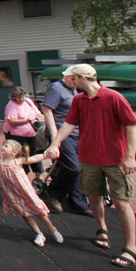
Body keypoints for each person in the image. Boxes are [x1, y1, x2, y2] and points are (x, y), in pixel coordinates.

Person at [45, 64, 136, 269]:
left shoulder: (113, 97)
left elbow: (132, 125)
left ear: (81, 78)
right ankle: (102, 229)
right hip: (89, 158)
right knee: (94, 197)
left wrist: (130, 156)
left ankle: (131, 248)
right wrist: (55, 143)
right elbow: (69, 124)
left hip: (115, 159)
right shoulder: (79, 100)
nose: (72, 82)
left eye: (73, 78)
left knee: (121, 201)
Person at [0, 140, 64, 247]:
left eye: (6, 146)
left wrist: (45, 155)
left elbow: (33, 159)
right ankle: (39, 234)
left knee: (39, 212)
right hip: (12, 193)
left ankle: (53, 230)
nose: (3, 147)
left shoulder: (17, 161)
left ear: (14, 152)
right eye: (2, 145)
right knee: (25, 214)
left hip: (25, 191)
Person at [42, 71, 90, 215]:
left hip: (75, 133)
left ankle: (77, 203)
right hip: (62, 134)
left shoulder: (73, 89)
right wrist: (55, 137)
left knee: (81, 167)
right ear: (70, 77)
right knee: (72, 167)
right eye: (76, 81)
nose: (78, 85)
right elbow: (47, 111)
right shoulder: (56, 88)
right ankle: (53, 192)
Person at [3, 86, 45, 180]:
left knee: (35, 152)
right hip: (16, 134)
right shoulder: (11, 105)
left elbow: (37, 113)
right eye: (19, 98)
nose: (21, 99)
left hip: (31, 132)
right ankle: (22, 177)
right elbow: (11, 121)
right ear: (14, 97)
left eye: (23, 97)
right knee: (20, 154)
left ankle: (39, 178)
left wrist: (42, 118)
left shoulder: (28, 101)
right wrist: (26, 120)